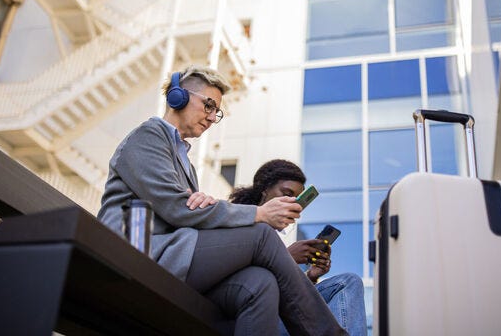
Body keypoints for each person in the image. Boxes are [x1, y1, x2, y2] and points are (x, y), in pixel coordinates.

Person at [97, 65, 346, 336]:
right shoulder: (148, 136)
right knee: (262, 234)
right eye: (208, 105)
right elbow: (178, 209)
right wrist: (259, 214)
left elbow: (187, 212)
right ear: (177, 96)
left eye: (216, 112)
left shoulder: (184, 162)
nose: (212, 117)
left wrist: (206, 204)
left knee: (260, 283)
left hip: (175, 257)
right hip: (139, 256)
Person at [230, 159, 367, 336]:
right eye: (286, 193)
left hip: (280, 310)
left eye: (298, 199)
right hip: (251, 313)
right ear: (264, 189)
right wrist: (287, 257)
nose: (293, 204)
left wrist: (310, 276)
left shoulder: (271, 234)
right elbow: (236, 274)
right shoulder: (238, 219)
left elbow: (284, 293)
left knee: (347, 282)